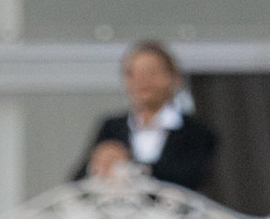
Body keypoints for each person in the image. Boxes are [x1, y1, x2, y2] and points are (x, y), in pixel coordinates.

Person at [75, 40, 220, 198]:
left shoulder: (196, 131)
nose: (142, 81)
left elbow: (190, 176)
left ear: (173, 77)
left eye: (151, 73)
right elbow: (77, 181)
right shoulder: (111, 127)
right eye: (133, 74)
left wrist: (128, 164)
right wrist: (98, 162)